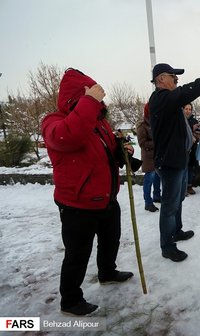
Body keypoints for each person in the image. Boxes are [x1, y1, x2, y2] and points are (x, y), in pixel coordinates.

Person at [41, 68, 134, 316]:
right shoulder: (54, 122)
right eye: (92, 93)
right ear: (77, 96)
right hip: (77, 204)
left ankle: (107, 272)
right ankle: (70, 300)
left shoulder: (99, 123)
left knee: (110, 240)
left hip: (106, 198)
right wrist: (89, 102)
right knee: (77, 255)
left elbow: (106, 153)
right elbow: (67, 137)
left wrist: (122, 150)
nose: (99, 99)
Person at [148, 62, 200, 262]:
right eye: (173, 75)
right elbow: (186, 93)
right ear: (161, 79)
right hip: (170, 163)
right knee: (169, 205)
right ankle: (167, 246)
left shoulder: (169, 102)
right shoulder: (161, 98)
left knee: (177, 200)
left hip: (179, 160)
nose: (176, 78)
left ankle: (177, 230)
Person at [136, 102, 161, 212]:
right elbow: (142, 143)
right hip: (148, 157)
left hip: (157, 156)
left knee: (157, 177)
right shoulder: (143, 126)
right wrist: (156, 143)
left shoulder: (156, 123)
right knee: (149, 179)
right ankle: (148, 202)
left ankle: (157, 196)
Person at [183, 103, 200, 195]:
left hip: (193, 148)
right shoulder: (180, 120)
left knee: (191, 167)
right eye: (186, 109)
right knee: (183, 169)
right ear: (183, 110)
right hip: (183, 149)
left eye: (189, 109)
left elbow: (198, 135)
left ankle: (189, 186)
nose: (188, 111)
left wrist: (199, 133)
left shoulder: (194, 121)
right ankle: (183, 188)